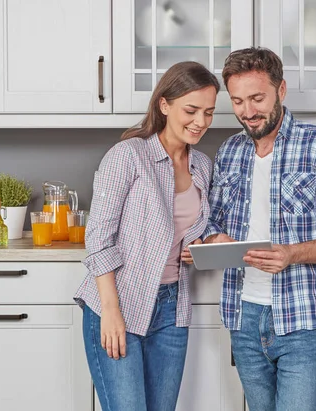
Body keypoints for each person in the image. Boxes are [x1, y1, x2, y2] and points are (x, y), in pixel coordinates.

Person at [201, 47, 316, 411]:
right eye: (238, 101)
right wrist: (216, 238)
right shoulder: (229, 152)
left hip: (305, 318)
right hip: (243, 315)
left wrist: (291, 254)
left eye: (257, 98)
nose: (248, 111)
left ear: (281, 90)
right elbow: (210, 219)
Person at [74, 61, 219, 411]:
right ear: (164, 105)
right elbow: (98, 239)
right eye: (191, 110)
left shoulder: (202, 165)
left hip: (172, 308)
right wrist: (110, 311)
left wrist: (203, 245)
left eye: (209, 112)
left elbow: (196, 229)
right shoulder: (128, 156)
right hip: (117, 303)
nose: (200, 122)